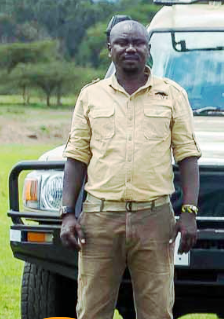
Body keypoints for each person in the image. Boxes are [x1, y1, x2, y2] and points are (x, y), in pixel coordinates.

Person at [59, 19, 202, 319]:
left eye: (138, 43)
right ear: (109, 49)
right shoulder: (91, 96)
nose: (130, 48)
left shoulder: (172, 95)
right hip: (99, 219)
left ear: (149, 49)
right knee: (92, 310)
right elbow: (76, 157)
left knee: (157, 310)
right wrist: (67, 213)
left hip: (155, 218)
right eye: (122, 43)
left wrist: (189, 212)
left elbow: (188, 156)